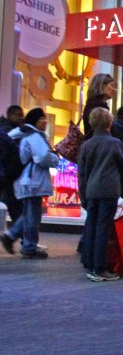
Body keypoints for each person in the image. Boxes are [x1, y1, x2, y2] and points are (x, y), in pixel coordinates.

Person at [78, 108, 123, 281]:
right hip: (109, 190)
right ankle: (100, 268)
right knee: (103, 228)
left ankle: (89, 262)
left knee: (91, 226)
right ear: (109, 123)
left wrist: (83, 195)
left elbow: (82, 173)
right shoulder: (115, 144)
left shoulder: (86, 145)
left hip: (91, 190)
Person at [1, 108, 59, 259]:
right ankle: (28, 247)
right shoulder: (34, 136)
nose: (45, 122)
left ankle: (12, 236)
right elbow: (42, 157)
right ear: (35, 121)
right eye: (41, 119)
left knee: (29, 214)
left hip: (24, 180)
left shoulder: (20, 133)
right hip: (33, 180)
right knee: (32, 215)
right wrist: (55, 158)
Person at [0, 105, 24, 223]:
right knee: (12, 205)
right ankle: (13, 233)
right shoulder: (7, 131)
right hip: (6, 174)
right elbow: (14, 151)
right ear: (10, 115)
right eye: (18, 115)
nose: (21, 118)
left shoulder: (8, 130)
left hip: (7, 174)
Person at [82, 73, 116, 139]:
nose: (114, 89)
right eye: (112, 85)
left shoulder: (93, 104)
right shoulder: (97, 107)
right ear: (102, 85)